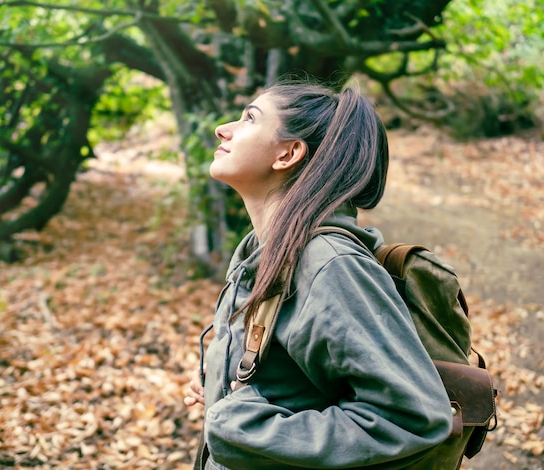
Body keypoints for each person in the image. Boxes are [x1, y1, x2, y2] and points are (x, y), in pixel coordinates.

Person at [184, 80, 453, 469]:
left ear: (288, 154)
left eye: (249, 118)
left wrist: (238, 426)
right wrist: (221, 378)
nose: (223, 129)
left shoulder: (329, 263)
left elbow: (412, 417)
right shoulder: (264, 249)